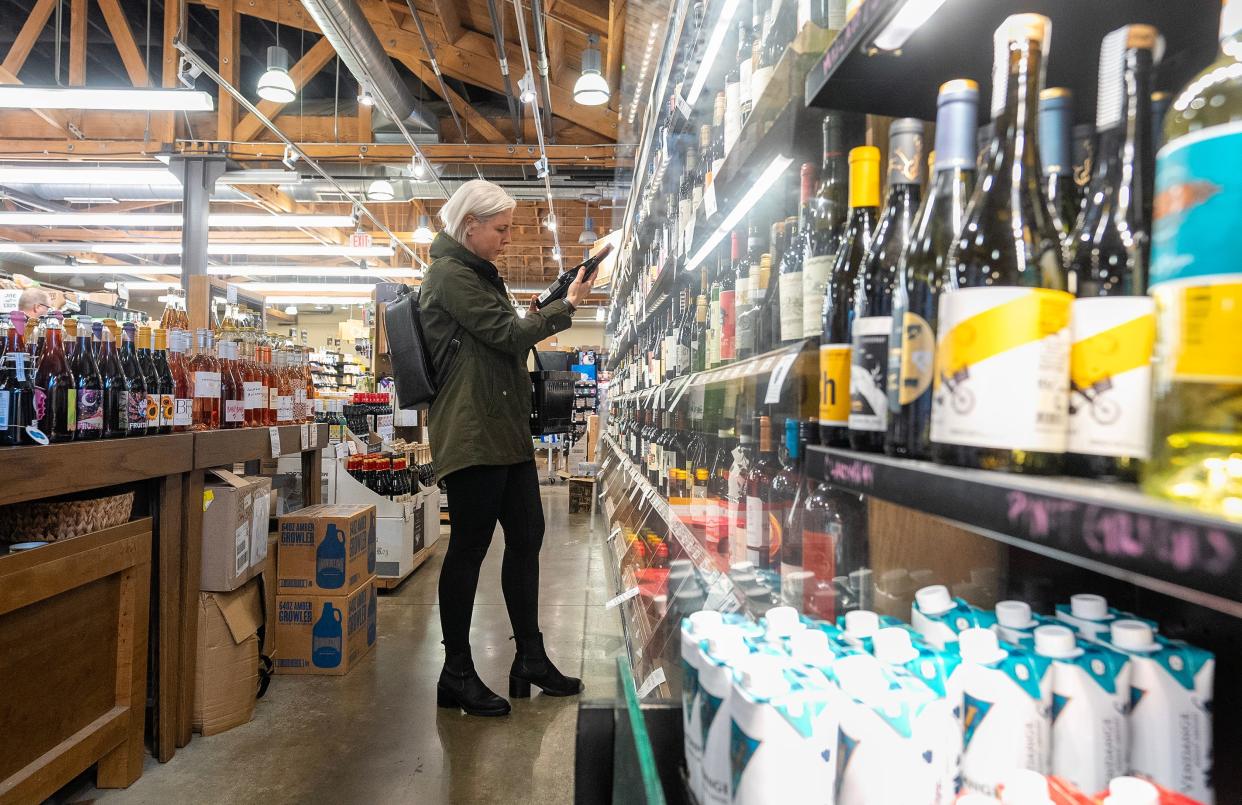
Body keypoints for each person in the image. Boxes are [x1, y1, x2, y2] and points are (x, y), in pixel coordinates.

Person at [420, 179, 594, 717]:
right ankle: (456, 672)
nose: (508, 237)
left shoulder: (475, 274)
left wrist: (544, 303)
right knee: (469, 547)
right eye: (501, 228)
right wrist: (566, 308)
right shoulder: (450, 275)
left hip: (503, 429)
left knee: (528, 534)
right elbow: (507, 335)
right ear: (469, 225)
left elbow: (500, 334)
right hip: (472, 434)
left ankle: (530, 658)